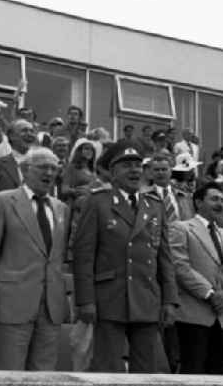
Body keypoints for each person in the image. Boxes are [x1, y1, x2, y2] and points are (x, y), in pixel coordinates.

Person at [72, 143, 177, 373]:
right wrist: (85, 300)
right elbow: (83, 255)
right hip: (109, 297)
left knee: (146, 371)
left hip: (146, 297)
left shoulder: (154, 205)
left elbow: (164, 257)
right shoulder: (98, 202)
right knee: (108, 368)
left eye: (138, 166)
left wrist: (169, 299)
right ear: (113, 171)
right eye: (127, 166)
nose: (134, 171)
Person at [0, 148, 70, 370]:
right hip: (12, 302)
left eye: (54, 168)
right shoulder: (3, 201)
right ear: (25, 170)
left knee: (44, 376)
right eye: (43, 167)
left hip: (50, 306)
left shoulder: (61, 208)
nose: (49, 173)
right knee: (10, 373)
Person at [168, 182, 223, 374]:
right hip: (195, 312)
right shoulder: (182, 228)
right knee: (192, 370)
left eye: (222, 200)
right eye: (214, 199)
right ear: (198, 202)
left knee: (219, 372)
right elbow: (180, 266)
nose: (219, 203)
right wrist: (210, 294)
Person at [0, 118, 37, 194]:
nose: (30, 134)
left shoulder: (43, 165)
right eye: (24, 131)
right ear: (11, 136)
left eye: (32, 131)